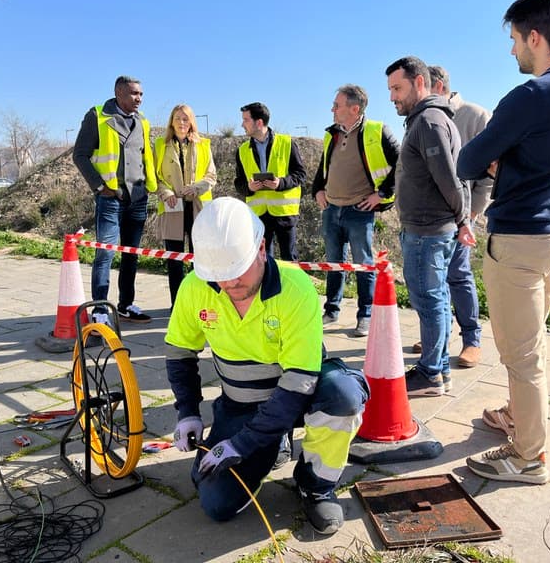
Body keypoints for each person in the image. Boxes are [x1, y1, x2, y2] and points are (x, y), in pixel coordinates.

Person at [459, 0, 550, 484]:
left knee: (523, 355)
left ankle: (528, 455)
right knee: (530, 344)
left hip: (520, 241)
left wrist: (499, 163)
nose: (513, 50)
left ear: (535, 37)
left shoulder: (532, 94)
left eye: (516, 39)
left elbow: (466, 161)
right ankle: (520, 416)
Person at [165, 197, 369, 535]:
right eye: (220, 277)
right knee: (215, 502)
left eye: (236, 272)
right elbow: (179, 354)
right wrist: (187, 411)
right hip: (242, 404)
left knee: (343, 395)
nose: (229, 286)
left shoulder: (296, 288)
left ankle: (316, 485)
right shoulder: (195, 288)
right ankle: (275, 442)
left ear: (261, 248)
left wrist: (242, 444)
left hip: (299, 395)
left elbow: (300, 382)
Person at [385, 56, 475, 397]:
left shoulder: (429, 122)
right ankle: (438, 368)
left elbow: (451, 179)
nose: (393, 96)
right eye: (390, 89)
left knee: (430, 299)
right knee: (432, 298)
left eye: (398, 88)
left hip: (428, 231)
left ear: (420, 84)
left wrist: (462, 219)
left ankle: (430, 374)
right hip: (427, 229)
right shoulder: (423, 120)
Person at [311, 85, 400, 337]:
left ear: (354, 108)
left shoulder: (377, 131)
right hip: (331, 208)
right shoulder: (332, 135)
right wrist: (317, 190)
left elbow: (402, 163)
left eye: (336, 105)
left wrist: (381, 194)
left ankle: (366, 315)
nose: (332, 109)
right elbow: (324, 167)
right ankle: (331, 310)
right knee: (333, 262)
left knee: (363, 263)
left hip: (359, 211)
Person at [421, 65, 492, 368]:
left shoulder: (475, 117)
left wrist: (474, 209)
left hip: (463, 213)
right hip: (432, 217)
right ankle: (440, 334)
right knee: (432, 277)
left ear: (436, 86)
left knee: (458, 274)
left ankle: (471, 340)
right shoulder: (422, 117)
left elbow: (491, 169)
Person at [73, 75, 156, 324]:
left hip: (138, 198)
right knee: (105, 254)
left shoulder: (143, 122)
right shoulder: (97, 116)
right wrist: (100, 187)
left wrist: (149, 188)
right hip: (110, 198)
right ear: (119, 93)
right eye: (134, 94)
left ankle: (126, 304)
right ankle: (99, 309)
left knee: (131, 254)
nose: (139, 98)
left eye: (141, 94)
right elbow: (80, 155)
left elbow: (145, 157)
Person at [154, 104, 217, 306]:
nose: (182, 122)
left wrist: (197, 188)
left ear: (191, 122)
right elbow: (155, 177)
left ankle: (199, 303)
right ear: (171, 121)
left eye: (186, 119)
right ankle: (178, 304)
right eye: (178, 118)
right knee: (174, 260)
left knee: (200, 260)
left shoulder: (204, 145)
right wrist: (166, 192)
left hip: (198, 208)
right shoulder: (160, 145)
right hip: (173, 208)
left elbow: (211, 176)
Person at [234, 102, 307, 261]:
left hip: (284, 214)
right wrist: (249, 187)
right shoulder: (242, 150)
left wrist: (280, 183)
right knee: (263, 262)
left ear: (259, 122)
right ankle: (267, 287)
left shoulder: (287, 143)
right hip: (258, 215)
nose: (242, 124)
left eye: (246, 120)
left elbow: (300, 174)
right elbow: (238, 182)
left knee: (289, 261)